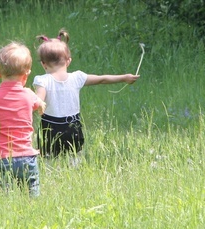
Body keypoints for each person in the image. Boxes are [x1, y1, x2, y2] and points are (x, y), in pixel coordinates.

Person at [33, 28, 139, 159]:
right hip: (73, 126)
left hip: (50, 128)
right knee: (74, 159)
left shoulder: (42, 80)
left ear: (44, 64)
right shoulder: (77, 77)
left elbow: (38, 100)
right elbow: (102, 79)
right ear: (68, 61)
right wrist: (124, 77)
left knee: (49, 159)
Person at [0, 41, 46, 197]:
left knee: (5, 194)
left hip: (1, 159)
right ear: (26, 74)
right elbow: (40, 105)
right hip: (27, 157)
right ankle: (34, 211)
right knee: (32, 189)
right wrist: (41, 107)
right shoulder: (29, 94)